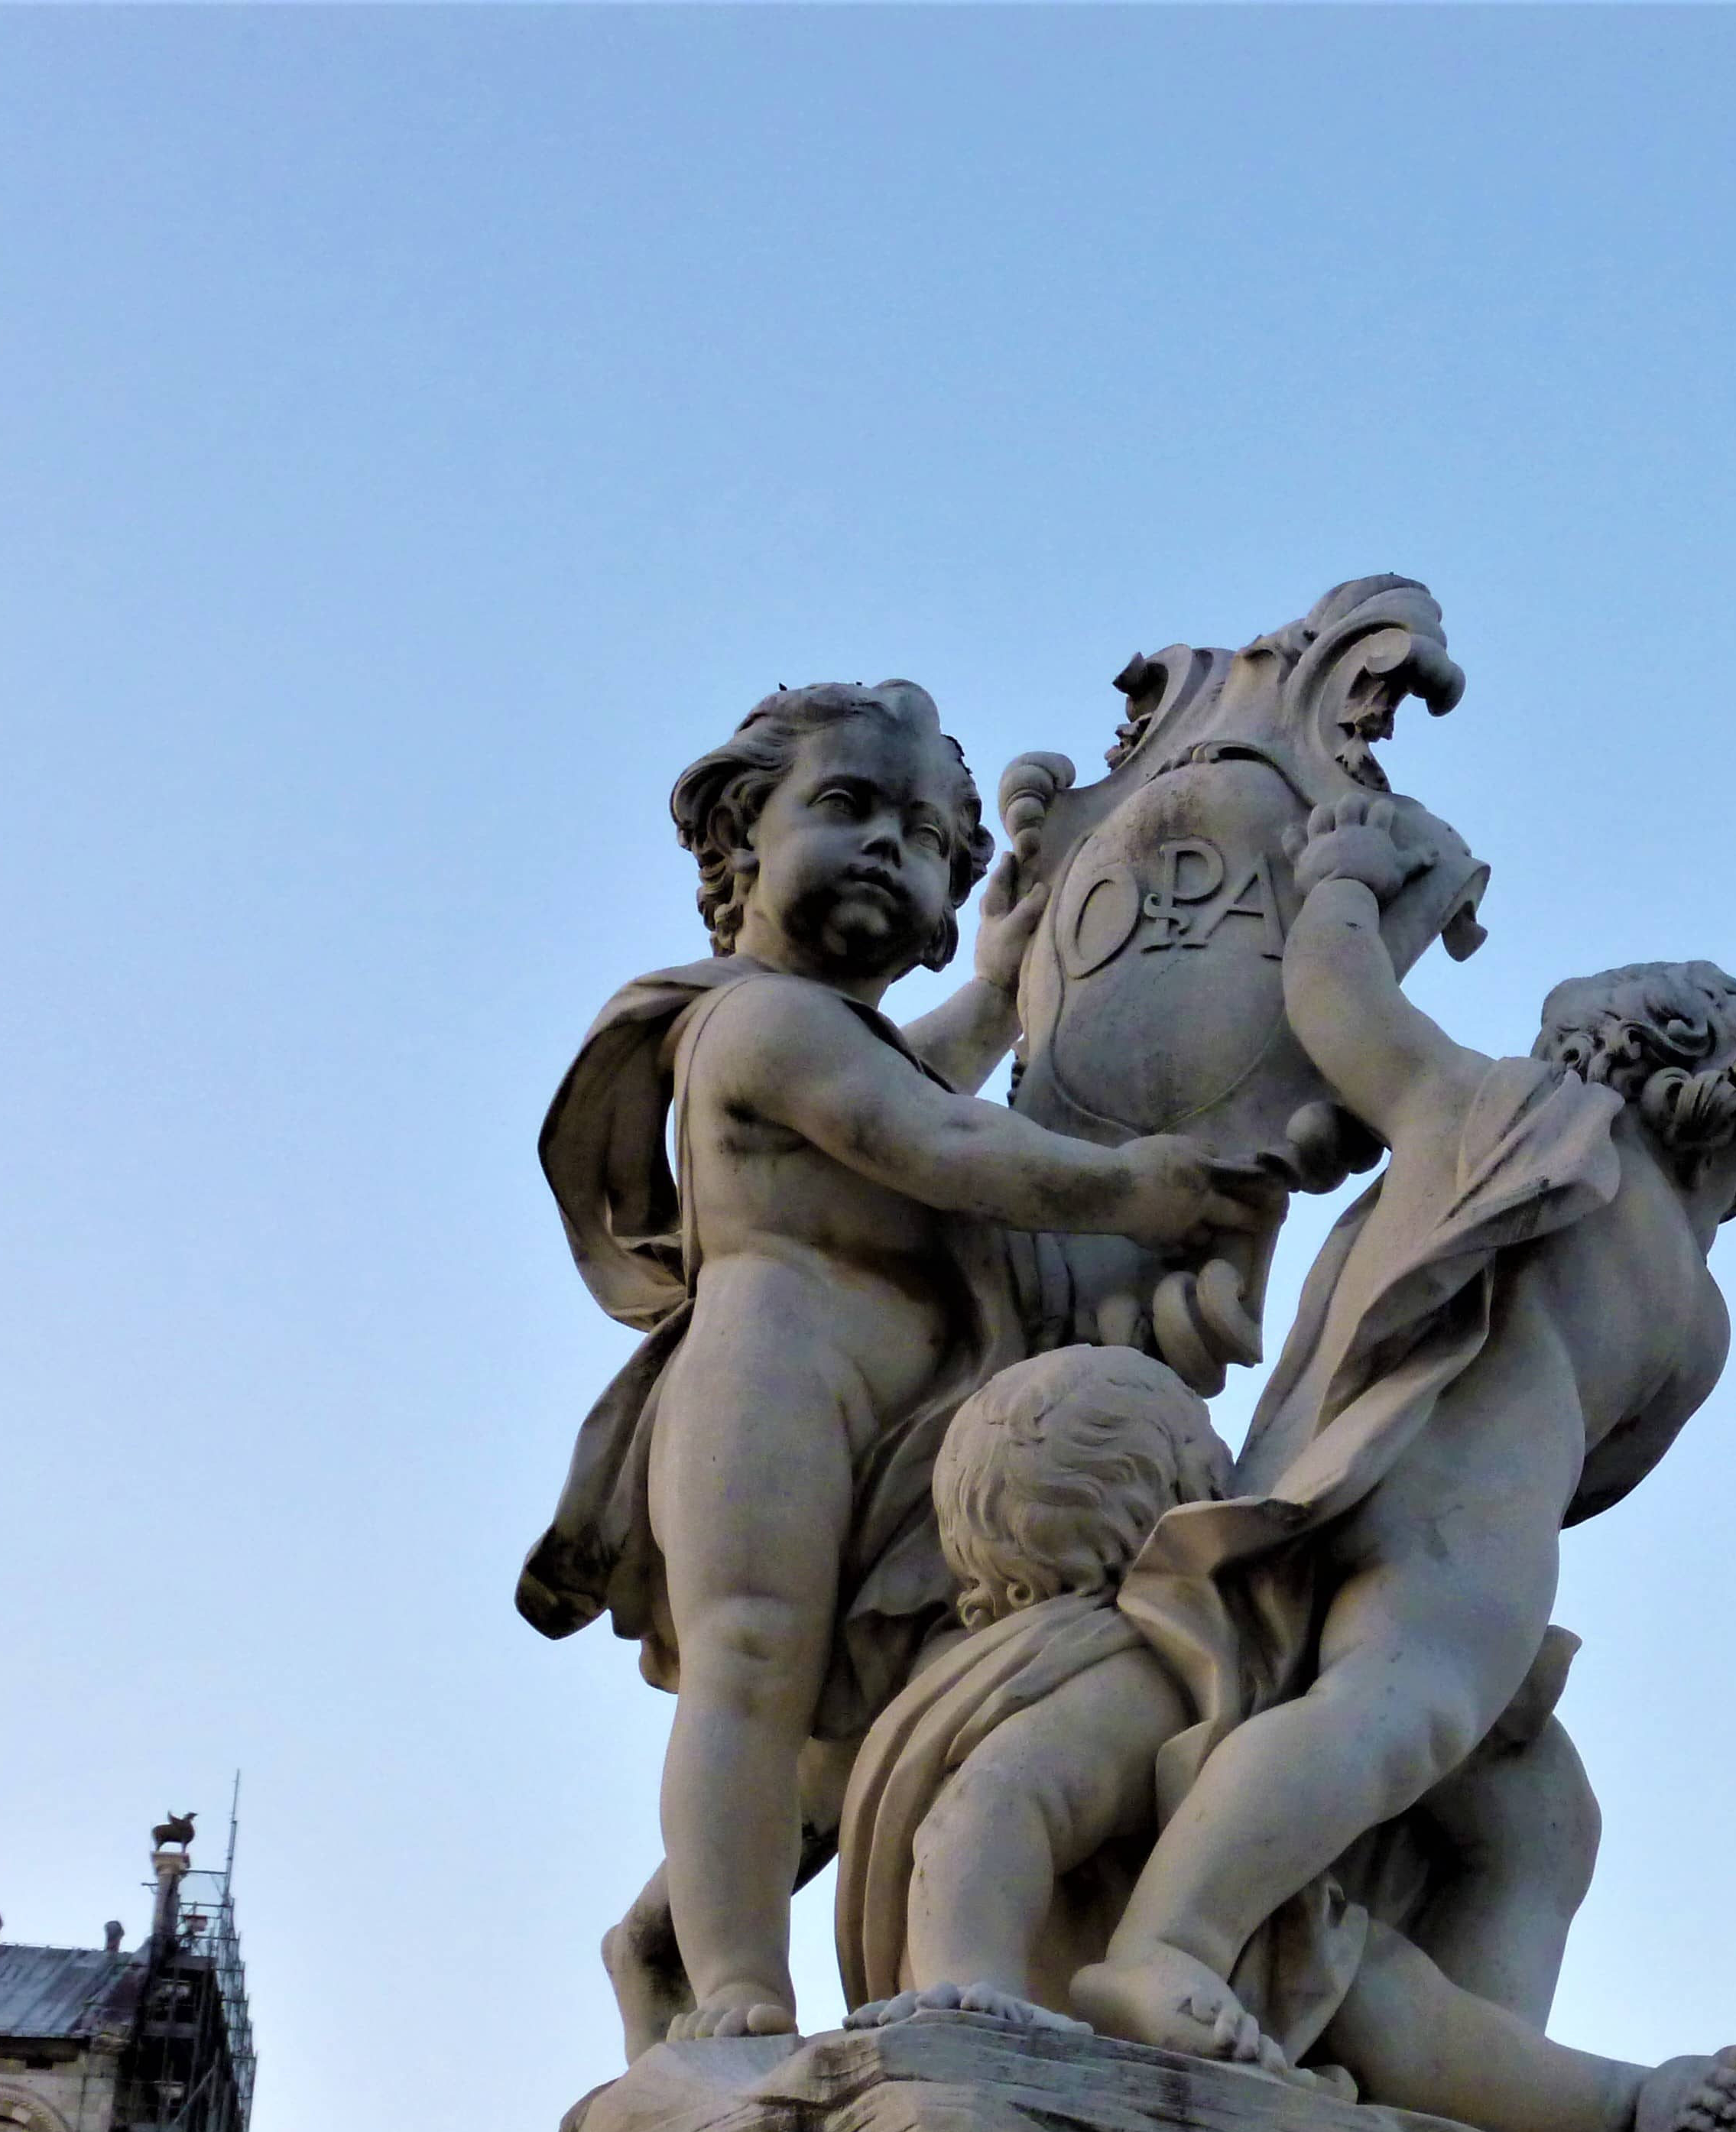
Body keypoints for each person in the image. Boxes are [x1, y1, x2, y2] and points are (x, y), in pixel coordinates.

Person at [520, 681, 1278, 2047]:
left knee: (851, 1734)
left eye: (926, 836)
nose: (889, 843)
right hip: (772, 1382)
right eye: (847, 804)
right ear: (740, 842)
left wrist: (997, 991)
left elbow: (919, 1083)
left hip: (915, 1414)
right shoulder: (753, 1021)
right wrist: (1131, 1187)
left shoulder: (849, 1042)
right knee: (754, 1660)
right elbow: (939, 1143)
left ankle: (661, 1941)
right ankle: (739, 1980)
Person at [1078, 797, 1736, 2072]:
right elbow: (1603, 1472)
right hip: (1474, 1523)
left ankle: (1470, 2083)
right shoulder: (1563, 1166)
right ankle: (1169, 1942)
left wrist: (1346, 889)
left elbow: (1345, 1007)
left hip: (1400, 1477)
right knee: (1399, 1715)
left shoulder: (1528, 1147)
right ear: (1713, 1113)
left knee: (1537, 1819)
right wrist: (1342, 873)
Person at [836, 1345, 1736, 2132]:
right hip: (1080, 1997)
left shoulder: (1177, 1665)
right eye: (1211, 1455)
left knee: (1384, 1992)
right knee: (1389, 2003)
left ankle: (1621, 2110)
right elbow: (984, 1812)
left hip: (1229, 1967)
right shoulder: (1123, 1669)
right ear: (1172, 1493)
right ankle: (1615, 2109)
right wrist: (976, 1985)